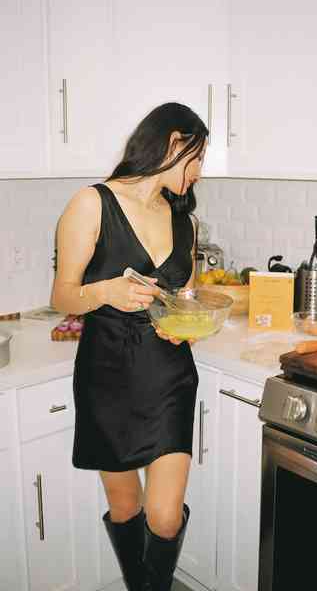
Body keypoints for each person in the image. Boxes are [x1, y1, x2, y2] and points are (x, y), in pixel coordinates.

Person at [51, 102, 208, 591]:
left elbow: (184, 298)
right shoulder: (91, 203)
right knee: (125, 507)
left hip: (169, 374)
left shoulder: (186, 219)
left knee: (163, 516)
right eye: (197, 157)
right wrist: (105, 293)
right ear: (173, 143)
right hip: (108, 373)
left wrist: (184, 324)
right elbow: (61, 296)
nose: (200, 172)